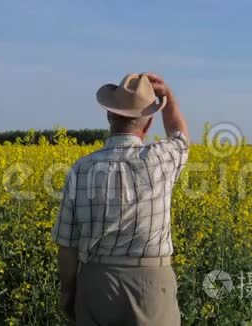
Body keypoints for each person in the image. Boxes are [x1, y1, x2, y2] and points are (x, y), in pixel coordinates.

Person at [51, 72, 189, 325]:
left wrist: (69, 291)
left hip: (95, 281)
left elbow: (67, 245)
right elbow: (180, 136)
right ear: (147, 125)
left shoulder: (81, 168)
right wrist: (168, 96)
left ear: (108, 115)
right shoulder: (161, 159)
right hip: (151, 284)